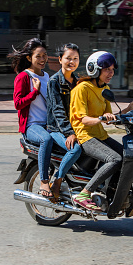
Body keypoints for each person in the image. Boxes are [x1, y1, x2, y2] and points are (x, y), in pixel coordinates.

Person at [69, 51, 133, 211]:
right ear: (95, 70)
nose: (111, 73)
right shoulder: (82, 89)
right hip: (85, 136)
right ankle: (84, 193)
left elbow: (111, 116)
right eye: (107, 69)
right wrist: (100, 119)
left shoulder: (105, 89)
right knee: (114, 159)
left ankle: (113, 193)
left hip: (101, 135)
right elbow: (83, 119)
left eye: (112, 69)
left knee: (129, 156)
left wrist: (129, 109)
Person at [10, 38, 66, 200]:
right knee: (46, 140)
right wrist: (34, 91)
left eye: (45, 55)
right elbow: (18, 104)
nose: (42, 59)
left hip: (48, 124)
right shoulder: (23, 77)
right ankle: (43, 182)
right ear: (29, 58)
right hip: (31, 126)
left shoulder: (47, 75)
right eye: (38, 56)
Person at [46, 43, 82, 199]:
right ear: (60, 59)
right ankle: (57, 181)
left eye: (75, 58)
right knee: (76, 149)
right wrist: (69, 133)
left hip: (75, 128)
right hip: (56, 129)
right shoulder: (54, 82)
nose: (71, 62)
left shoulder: (79, 82)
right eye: (68, 58)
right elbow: (58, 110)